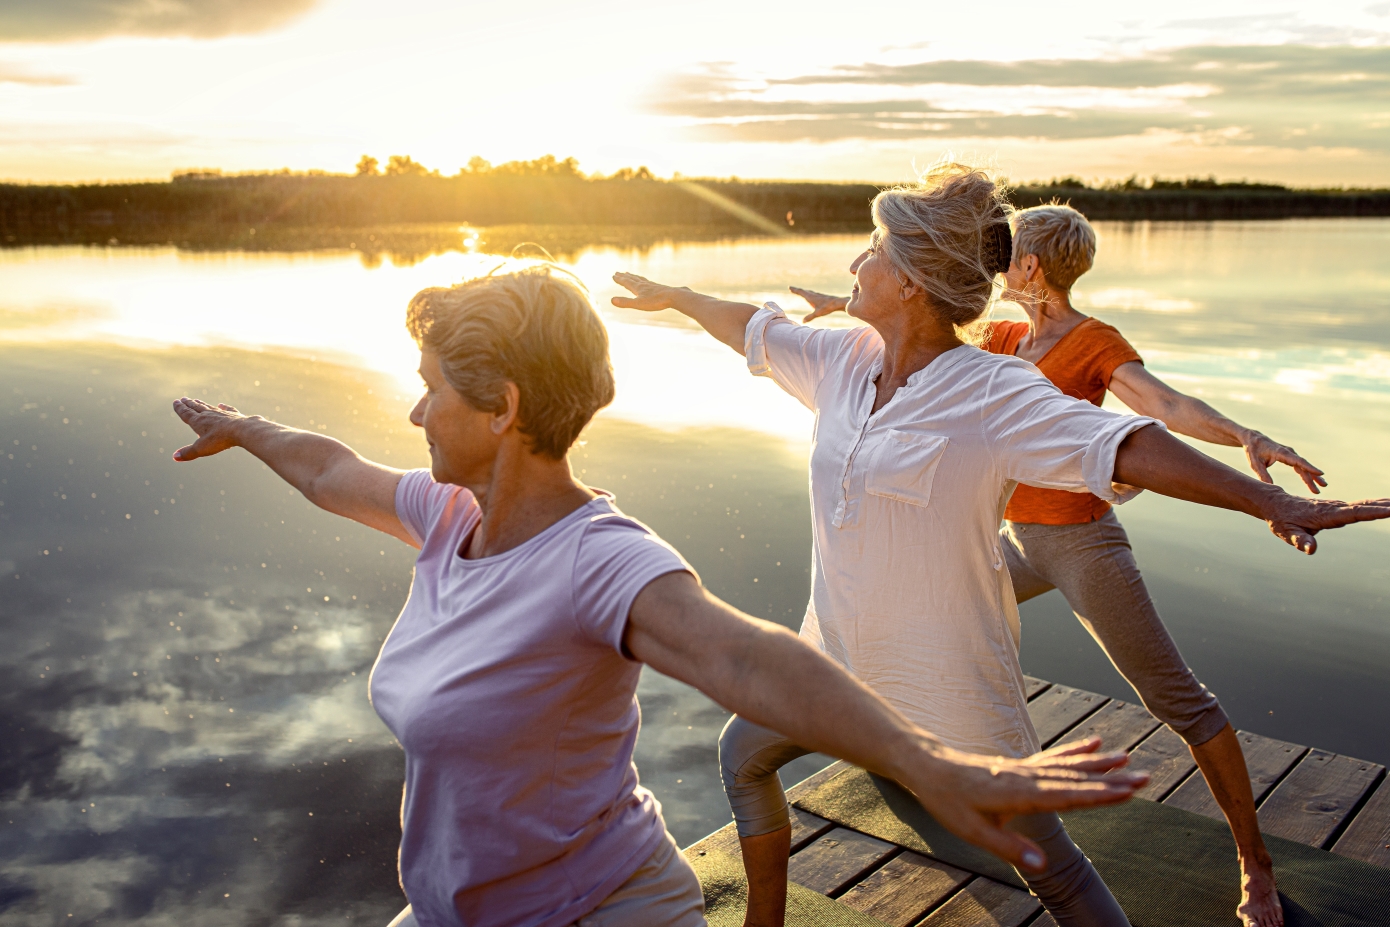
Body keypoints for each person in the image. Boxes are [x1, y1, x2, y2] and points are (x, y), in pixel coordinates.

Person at [169, 264, 1149, 927]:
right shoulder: (442, 514)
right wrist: (246, 425)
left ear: (504, 407)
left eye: (432, 388)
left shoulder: (597, 558)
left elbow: (742, 656)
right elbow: (330, 470)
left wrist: (931, 762)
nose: (413, 411)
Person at [611, 163, 1390, 927]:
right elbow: (754, 325)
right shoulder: (843, 358)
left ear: (913, 281)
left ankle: (1234, 865)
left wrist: (1268, 498)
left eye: (872, 249)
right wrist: (680, 296)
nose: (855, 260)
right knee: (742, 756)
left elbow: (1125, 439)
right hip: (839, 671)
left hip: (953, 694)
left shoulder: (993, 389)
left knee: (1054, 872)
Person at [790, 202, 1321, 927]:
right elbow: (918, 334)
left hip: (1078, 546)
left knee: (1178, 699)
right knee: (905, 611)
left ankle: (1253, 862)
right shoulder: (1001, 336)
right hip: (1010, 540)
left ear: (1029, 267)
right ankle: (910, 751)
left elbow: (1163, 405)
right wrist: (847, 311)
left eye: (1002, 252)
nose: (988, 260)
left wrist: (1247, 438)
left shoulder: (1094, 342)